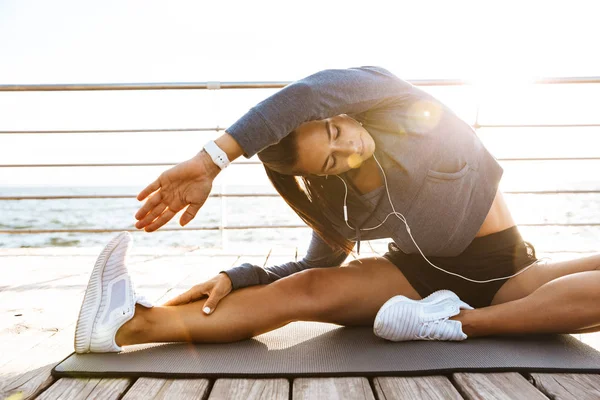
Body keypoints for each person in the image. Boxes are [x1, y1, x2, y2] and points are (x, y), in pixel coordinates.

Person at [74, 66, 600, 353]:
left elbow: (305, 94)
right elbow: (316, 267)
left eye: (335, 129)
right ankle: (127, 325)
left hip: (505, 273)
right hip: (412, 283)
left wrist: (214, 159)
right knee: (303, 291)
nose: (346, 148)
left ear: (340, 113)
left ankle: (463, 323)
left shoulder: (399, 107)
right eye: (330, 160)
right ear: (320, 175)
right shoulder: (341, 198)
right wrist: (238, 275)